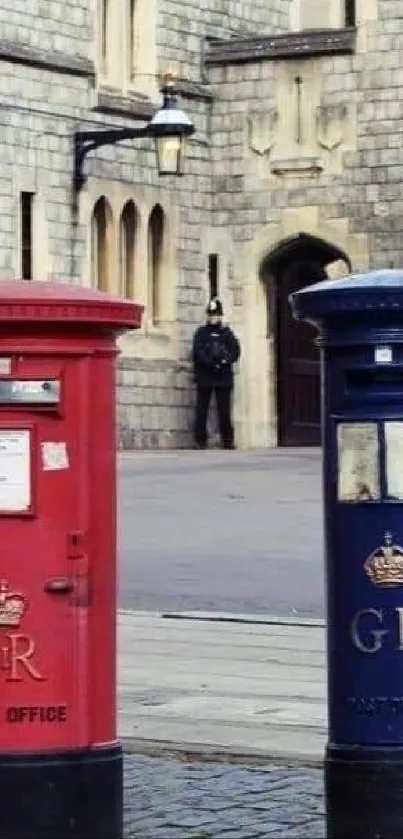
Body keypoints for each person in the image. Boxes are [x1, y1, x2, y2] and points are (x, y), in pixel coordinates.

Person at [192, 298, 241, 449]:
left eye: (216, 315)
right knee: (202, 410)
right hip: (205, 374)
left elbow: (235, 351)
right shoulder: (201, 333)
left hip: (223, 376)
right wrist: (210, 362)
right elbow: (197, 352)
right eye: (211, 315)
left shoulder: (227, 333)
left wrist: (224, 362)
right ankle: (200, 440)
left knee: (224, 411)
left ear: (221, 316)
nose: (214, 317)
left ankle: (228, 440)